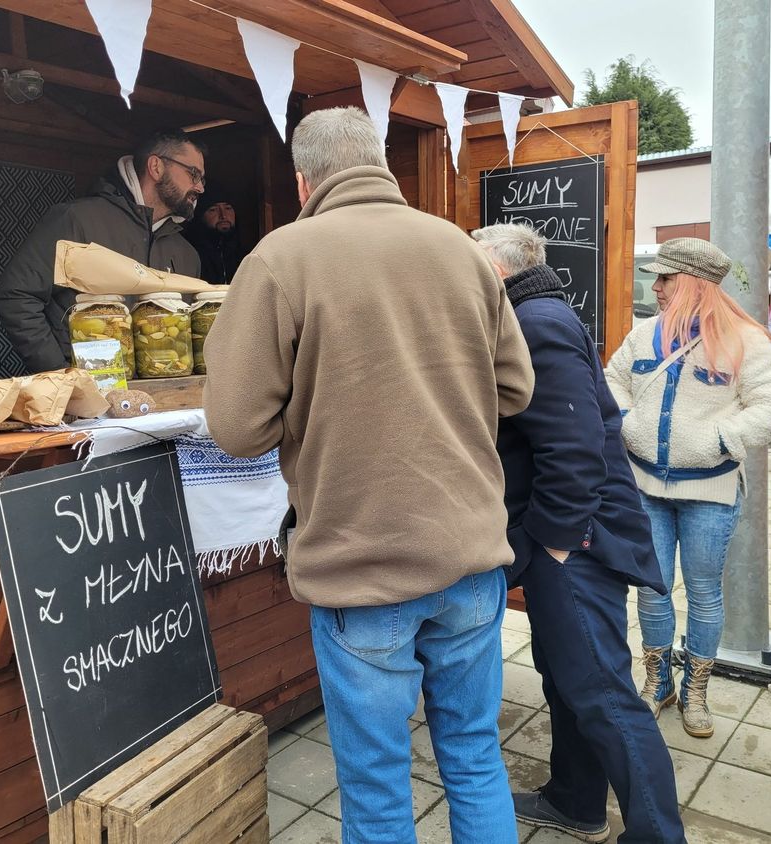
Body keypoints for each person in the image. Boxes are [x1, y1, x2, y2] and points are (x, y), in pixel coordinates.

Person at [202, 107, 534, 844]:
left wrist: (317, 408)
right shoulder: (459, 249)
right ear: (378, 162)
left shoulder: (279, 259)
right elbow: (517, 391)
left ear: (302, 181)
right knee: (476, 760)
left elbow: (234, 428)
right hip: (472, 560)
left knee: (378, 787)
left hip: (363, 569)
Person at [474, 223, 685, 844]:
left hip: (575, 541)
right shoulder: (533, 314)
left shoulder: (536, 322)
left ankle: (656, 835)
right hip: (563, 538)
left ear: (496, 269)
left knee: (602, 692)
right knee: (568, 677)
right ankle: (575, 800)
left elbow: (575, 445)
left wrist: (558, 541)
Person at [605, 237, 771, 738]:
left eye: (665, 278)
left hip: (710, 491)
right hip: (646, 486)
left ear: (689, 284)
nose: (657, 287)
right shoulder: (643, 336)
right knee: (651, 589)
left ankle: (696, 691)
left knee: (705, 594)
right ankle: (658, 682)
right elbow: (613, 382)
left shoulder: (744, 342)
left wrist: (720, 439)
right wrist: (627, 422)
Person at [0, 129, 204, 372]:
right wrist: (60, 374)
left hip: (168, 400)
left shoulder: (187, 254)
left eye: (201, 179)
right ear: (156, 167)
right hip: (86, 399)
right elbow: (16, 296)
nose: (199, 188)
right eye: (193, 174)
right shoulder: (75, 220)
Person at [184, 193, 245, 284]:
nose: (223, 216)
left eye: (228, 208)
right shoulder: (190, 253)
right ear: (201, 216)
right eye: (213, 210)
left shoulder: (245, 254)